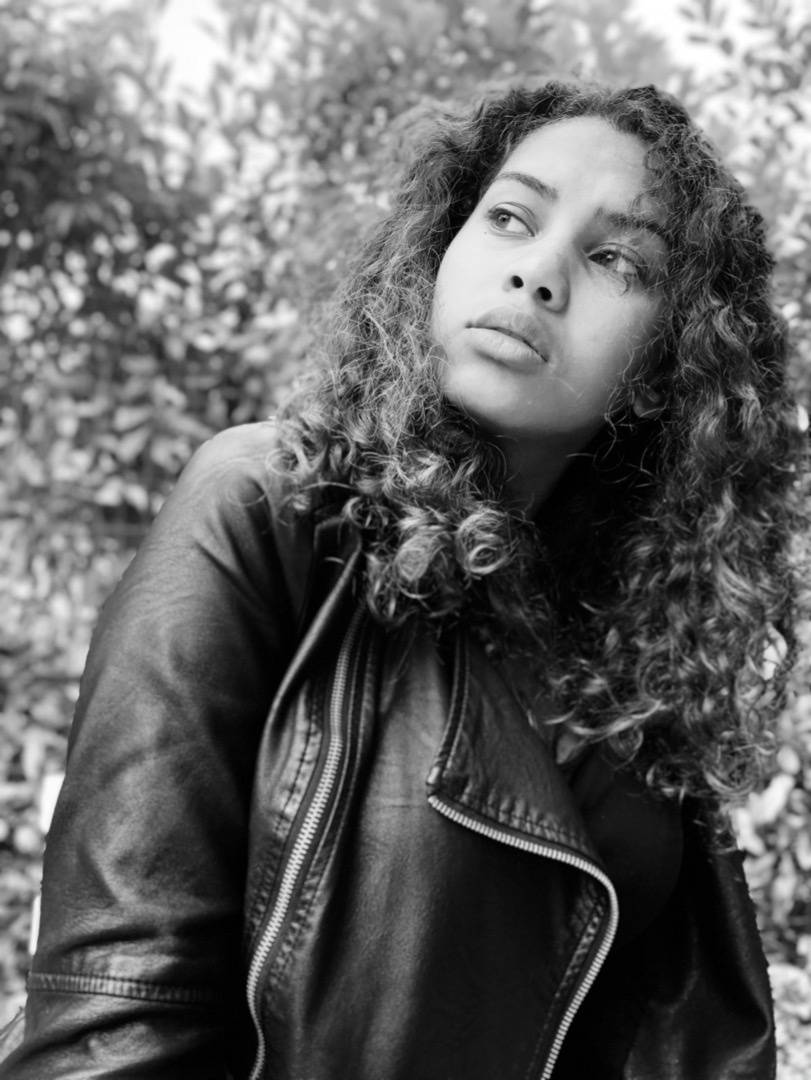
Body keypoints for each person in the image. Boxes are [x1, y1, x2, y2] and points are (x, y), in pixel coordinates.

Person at [0, 79, 804, 1079]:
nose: (538, 273)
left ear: (664, 365)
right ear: (438, 255)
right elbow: (111, 1026)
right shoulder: (269, 506)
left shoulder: (636, 648)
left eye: (616, 260)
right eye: (508, 218)